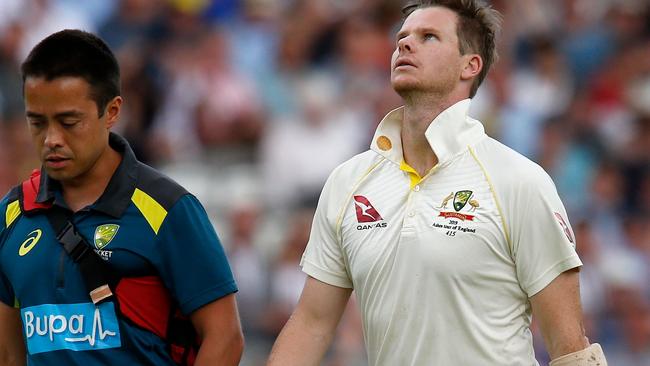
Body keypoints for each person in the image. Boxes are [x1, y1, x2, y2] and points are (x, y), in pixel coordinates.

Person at [267, 1, 608, 365]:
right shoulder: (347, 182)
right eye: (402, 37)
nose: (405, 45)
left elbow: (570, 345)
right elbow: (311, 325)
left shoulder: (519, 180)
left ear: (470, 65)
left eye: (428, 37)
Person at [0, 29, 243, 365]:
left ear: (112, 112)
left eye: (69, 122)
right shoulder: (12, 214)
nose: (51, 139)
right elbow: (8, 353)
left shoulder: (168, 209)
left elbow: (225, 338)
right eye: (37, 122)